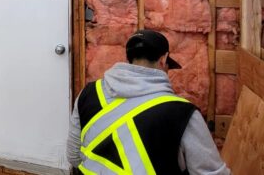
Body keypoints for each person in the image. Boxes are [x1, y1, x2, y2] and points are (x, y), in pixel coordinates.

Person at [66, 29, 230, 174]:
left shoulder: (89, 93)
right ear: (163, 60)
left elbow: (73, 156)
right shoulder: (181, 113)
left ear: (129, 59)